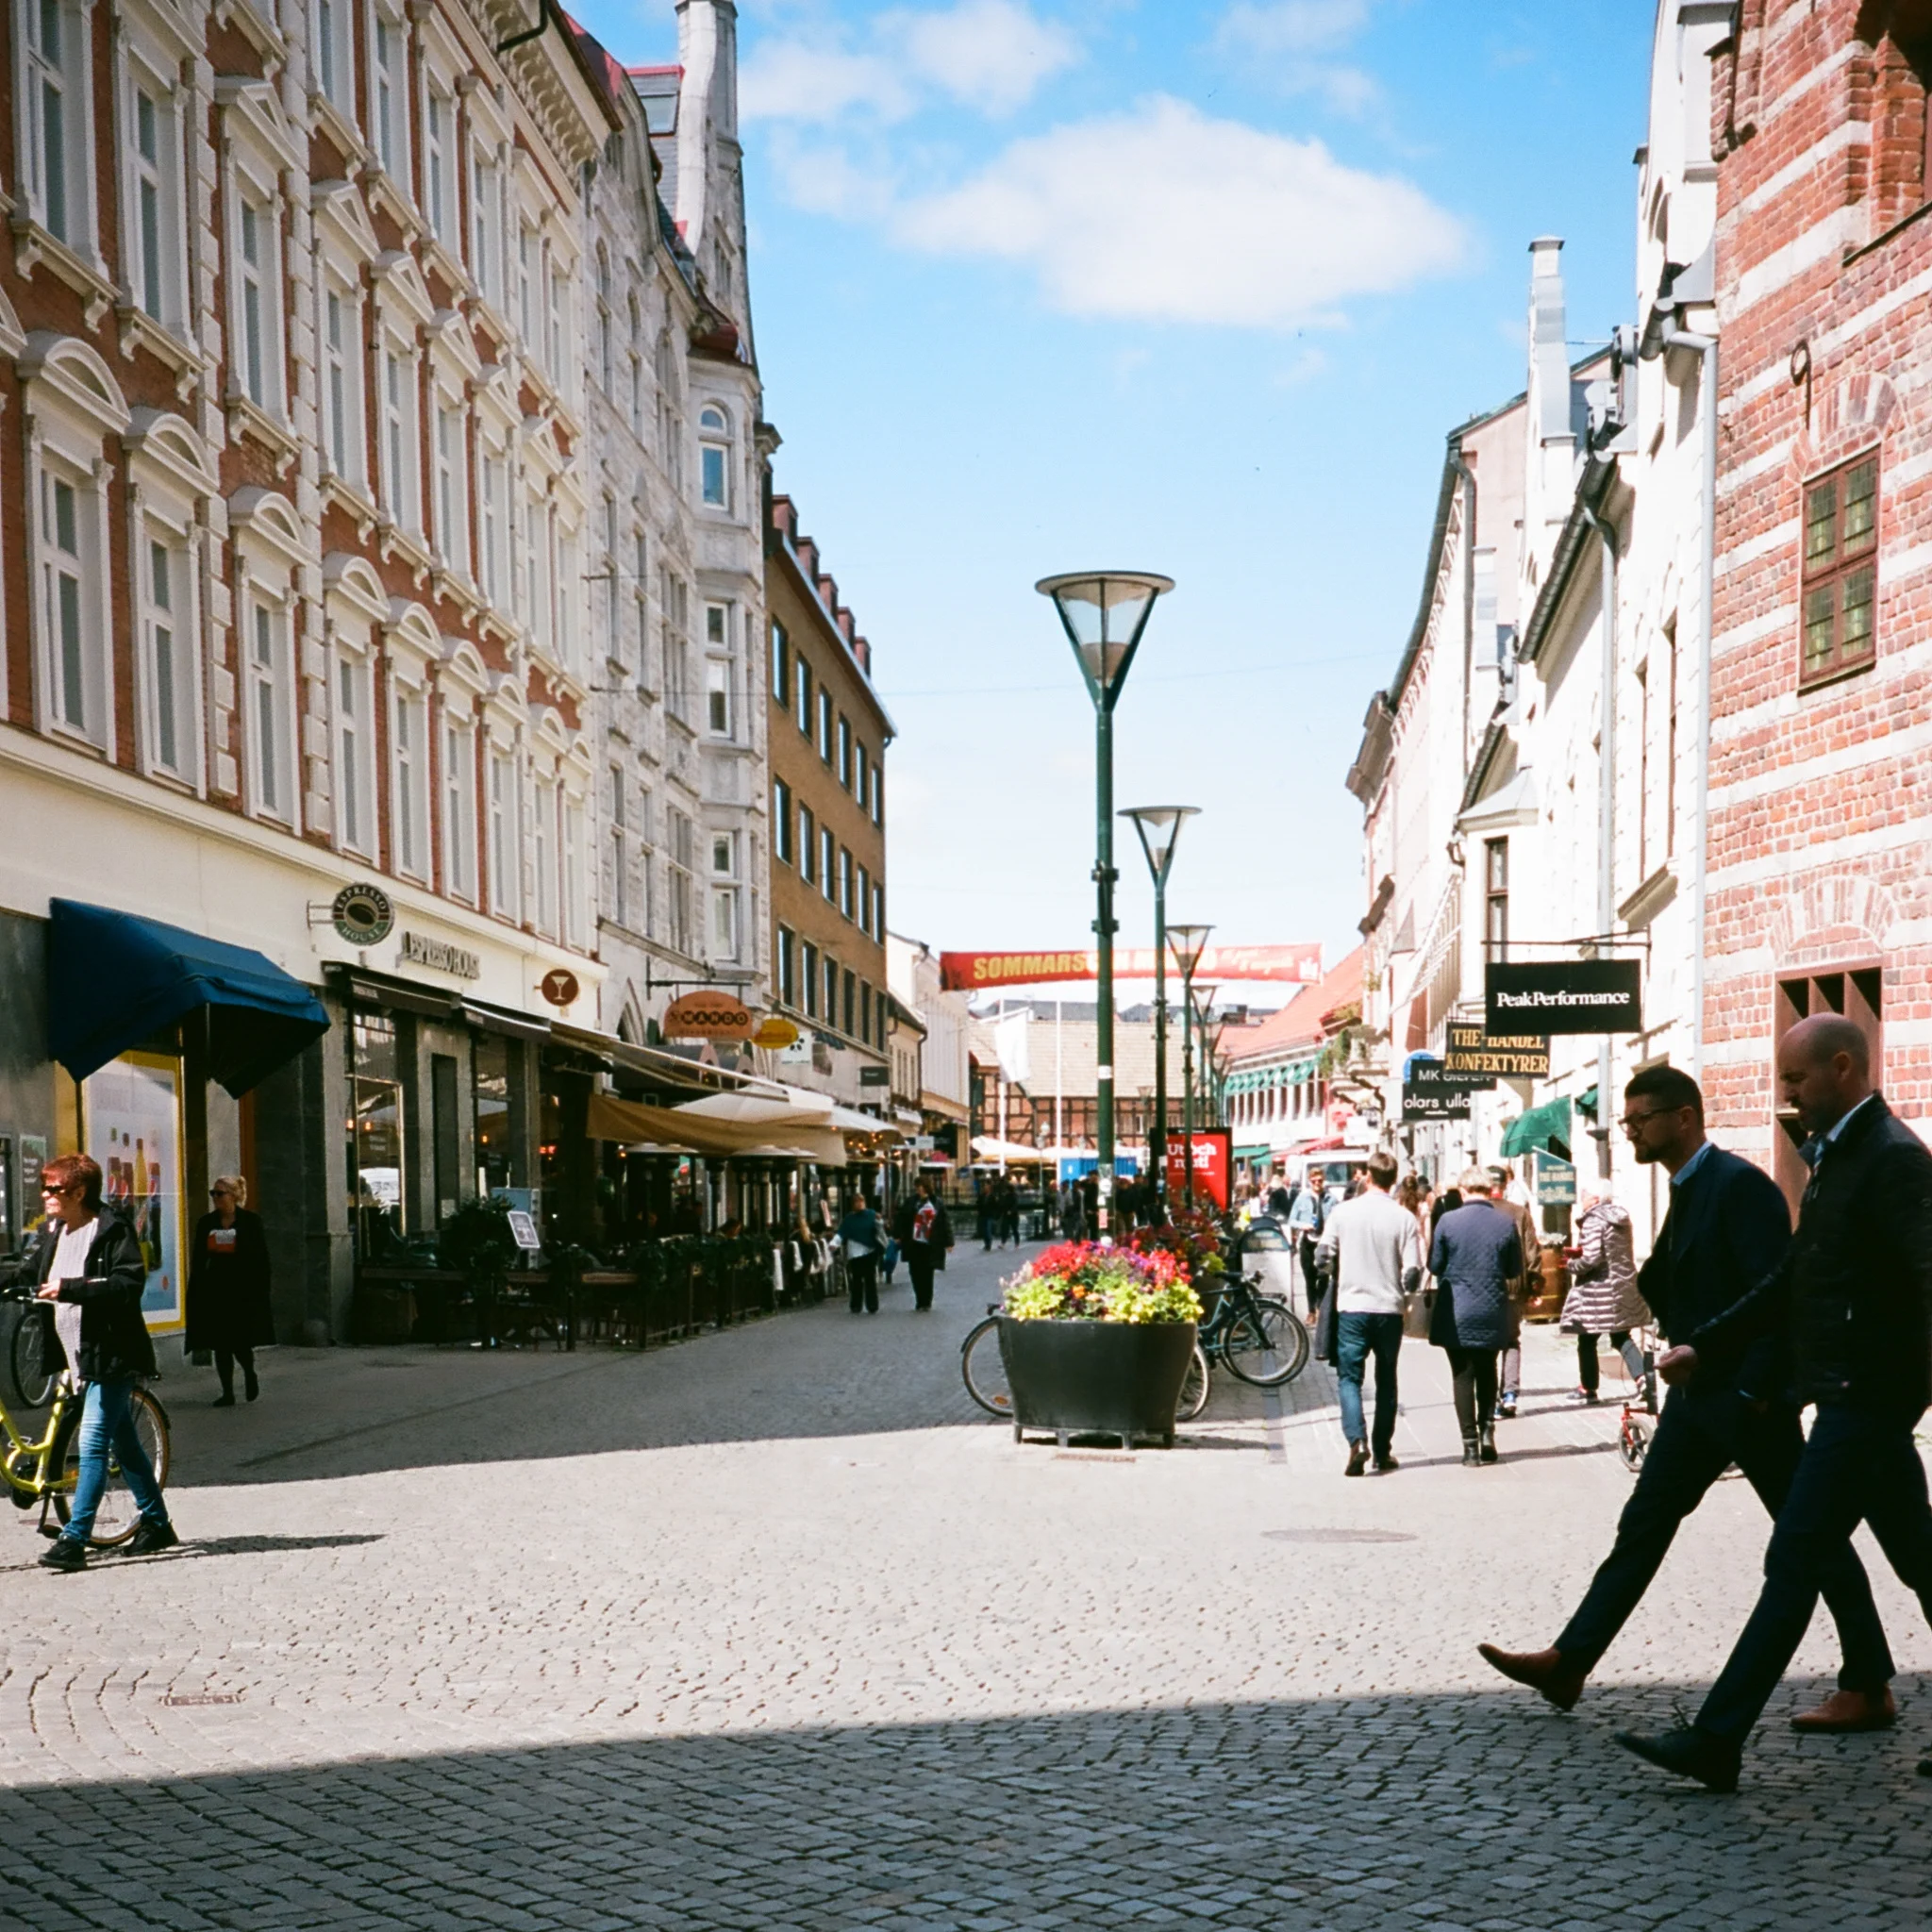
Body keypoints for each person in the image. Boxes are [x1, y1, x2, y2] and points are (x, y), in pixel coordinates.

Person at [1478, 1060, 1896, 1747]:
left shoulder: (1739, 1187)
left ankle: (1869, 1678)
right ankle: (1571, 1660)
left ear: (1683, 1118)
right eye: (1627, 1121)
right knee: (1644, 1524)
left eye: (1640, 1120)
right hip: (1701, 1399)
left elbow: (1773, 1296)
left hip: (1745, 1398)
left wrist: (1757, 1388)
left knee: (1810, 1541)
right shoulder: (1688, 1185)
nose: (1631, 1131)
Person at [1613, 1019, 1932, 1791]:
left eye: (1795, 1079)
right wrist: (1707, 1346)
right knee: (1921, 1557)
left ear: (1844, 1069)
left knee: (1794, 1553)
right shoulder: (1836, 1158)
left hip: (1866, 1400)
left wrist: (1894, 1387)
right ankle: (1811, 1705)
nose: (1784, 1095)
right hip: (1852, 1399)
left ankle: (1718, 1738)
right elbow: (1791, 1281)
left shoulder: (1890, 1160)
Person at [34, 1154, 176, 1571]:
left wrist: (70, 1288)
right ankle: (157, 1522)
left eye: (54, 1189)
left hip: (111, 1355)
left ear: (79, 1192)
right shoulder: (54, 1232)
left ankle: (74, 1540)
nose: (46, 1196)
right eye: (45, 1187)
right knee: (127, 1445)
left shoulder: (113, 1231)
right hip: (75, 1354)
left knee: (93, 1442)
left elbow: (126, 1284)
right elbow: (28, 1273)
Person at [1316, 1151, 1424, 1476]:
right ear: (1393, 1181)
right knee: (1386, 1379)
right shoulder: (1404, 1217)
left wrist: (1337, 1270)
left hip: (1352, 1308)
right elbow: (1413, 1273)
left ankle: (1355, 1441)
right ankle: (1382, 1451)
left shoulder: (1343, 1211)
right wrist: (1403, 1295)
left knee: (1350, 1378)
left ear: (1367, 1177)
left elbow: (1322, 1256)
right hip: (1388, 1309)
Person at [1427, 1170, 1521, 1466]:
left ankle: (1469, 1447)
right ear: (1490, 1189)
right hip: (1492, 1308)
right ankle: (1487, 1433)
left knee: (1462, 1375)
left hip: (1457, 1309)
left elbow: (1435, 1264)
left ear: (1464, 1191)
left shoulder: (1448, 1220)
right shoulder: (1505, 1222)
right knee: (1488, 1370)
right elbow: (1514, 1269)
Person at [185, 1174, 274, 1407]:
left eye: (220, 1194)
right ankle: (227, 1392)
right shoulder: (207, 1223)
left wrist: (260, 1288)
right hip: (216, 1289)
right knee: (220, 1343)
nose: (215, 1198)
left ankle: (249, 1372)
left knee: (240, 1342)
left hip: (242, 1289)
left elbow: (261, 1258)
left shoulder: (250, 1222)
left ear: (234, 1196)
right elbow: (199, 1257)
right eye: (212, 1194)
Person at [1561, 1189, 1649, 1405]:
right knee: (1620, 1336)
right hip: (1622, 1284)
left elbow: (1591, 1258)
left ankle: (1588, 1388)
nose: (1581, 1200)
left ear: (1596, 1199)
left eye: (1585, 1195)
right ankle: (1643, 1380)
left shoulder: (1594, 1221)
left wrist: (1570, 1265)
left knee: (1587, 1337)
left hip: (1598, 1289)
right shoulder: (1620, 1219)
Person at [1491, 1166, 1541, 1420]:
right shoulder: (1519, 1213)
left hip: (1484, 1288)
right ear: (1505, 1184)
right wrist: (1534, 1286)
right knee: (1511, 1340)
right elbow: (1532, 1252)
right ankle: (1509, 1395)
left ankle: (1488, 1399)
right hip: (1513, 1287)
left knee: (1487, 1344)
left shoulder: (1477, 1212)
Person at [897, 1176, 953, 1311]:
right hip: (914, 1242)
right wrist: (898, 1235)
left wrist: (949, 1242)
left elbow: (945, 1222)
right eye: (916, 1186)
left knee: (927, 1272)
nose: (918, 1189)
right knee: (915, 1272)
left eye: (920, 1186)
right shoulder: (911, 1202)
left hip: (930, 1242)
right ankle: (919, 1299)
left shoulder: (936, 1202)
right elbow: (902, 1218)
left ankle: (926, 1301)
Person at [1288, 1168, 1332, 1316]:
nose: (1317, 1184)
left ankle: (1320, 1307)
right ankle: (1311, 1311)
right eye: (1314, 1181)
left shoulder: (1330, 1199)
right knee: (1309, 1278)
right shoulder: (1302, 1198)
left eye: (1320, 1180)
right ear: (1309, 1181)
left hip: (1324, 1241)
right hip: (1307, 1241)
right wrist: (1303, 1225)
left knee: (1324, 1276)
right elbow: (1292, 1220)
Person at [838, 1193, 883, 1314]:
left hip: (870, 1250)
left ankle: (872, 1305)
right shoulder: (849, 1219)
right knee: (856, 1278)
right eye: (857, 1202)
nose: (860, 1204)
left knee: (870, 1278)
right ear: (853, 1205)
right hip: (855, 1252)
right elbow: (841, 1233)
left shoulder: (871, 1215)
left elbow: (880, 1229)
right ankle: (856, 1305)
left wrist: (880, 1221)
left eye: (862, 1201)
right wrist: (833, 1243)